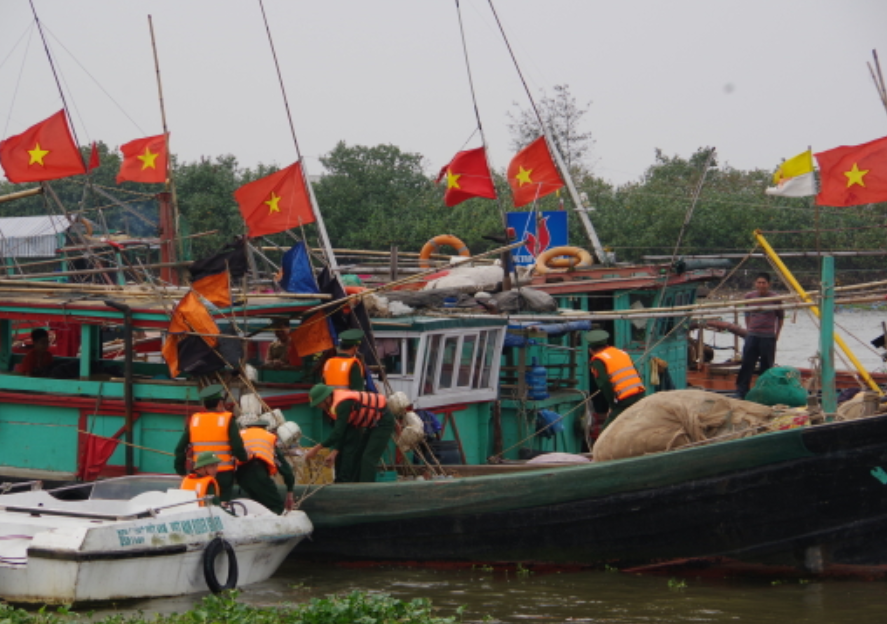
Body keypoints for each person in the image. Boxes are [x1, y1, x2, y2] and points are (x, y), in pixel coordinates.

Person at [303, 383, 395, 483]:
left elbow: (337, 434)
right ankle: (356, 486)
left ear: (326, 398)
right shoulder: (334, 406)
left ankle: (367, 492)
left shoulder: (343, 404)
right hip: (372, 425)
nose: (318, 407)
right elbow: (343, 430)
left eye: (318, 404)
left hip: (383, 422)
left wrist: (316, 449)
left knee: (368, 459)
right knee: (358, 456)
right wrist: (335, 452)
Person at [174, 384, 247, 503]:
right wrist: (244, 459)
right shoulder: (228, 418)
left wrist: (181, 471)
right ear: (220, 404)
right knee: (222, 507)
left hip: (200, 473)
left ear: (205, 405)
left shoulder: (195, 419)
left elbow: (179, 449)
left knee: (200, 503)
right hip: (223, 473)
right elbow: (238, 447)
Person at [735, 272, 785, 399]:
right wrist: (749, 329)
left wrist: (777, 334)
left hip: (768, 336)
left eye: (764, 283)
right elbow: (747, 314)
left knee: (767, 366)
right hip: (752, 335)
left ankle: (765, 392)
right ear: (755, 284)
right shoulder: (749, 297)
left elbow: (780, 318)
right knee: (747, 364)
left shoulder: (775, 298)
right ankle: (742, 390)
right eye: (759, 282)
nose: (761, 285)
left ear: (769, 284)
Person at [586, 329, 646, 430]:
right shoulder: (621, 353)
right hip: (640, 393)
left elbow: (604, 385)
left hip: (624, 399)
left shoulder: (598, 360)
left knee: (606, 432)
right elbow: (637, 373)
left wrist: (612, 406)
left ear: (590, 350)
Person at [237, 417, 296, 514]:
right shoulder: (267, 437)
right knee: (276, 506)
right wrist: (290, 492)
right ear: (264, 427)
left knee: (257, 505)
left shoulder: (240, 435)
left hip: (240, 477)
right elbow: (284, 469)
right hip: (257, 473)